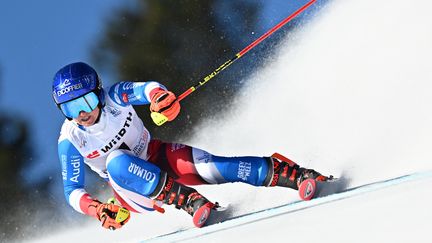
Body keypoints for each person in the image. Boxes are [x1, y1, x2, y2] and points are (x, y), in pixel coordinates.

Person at [53, 62, 331, 230]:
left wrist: (160, 98)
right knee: (116, 161)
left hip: (156, 154)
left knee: (215, 167)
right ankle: (186, 200)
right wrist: (97, 209)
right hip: (131, 189)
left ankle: (292, 174)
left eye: (85, 102)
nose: (81, 113)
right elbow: (72, 190)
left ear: (98, 94)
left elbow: (146, 89)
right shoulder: (71, 138)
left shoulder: (115, 97)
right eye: (70, 107)